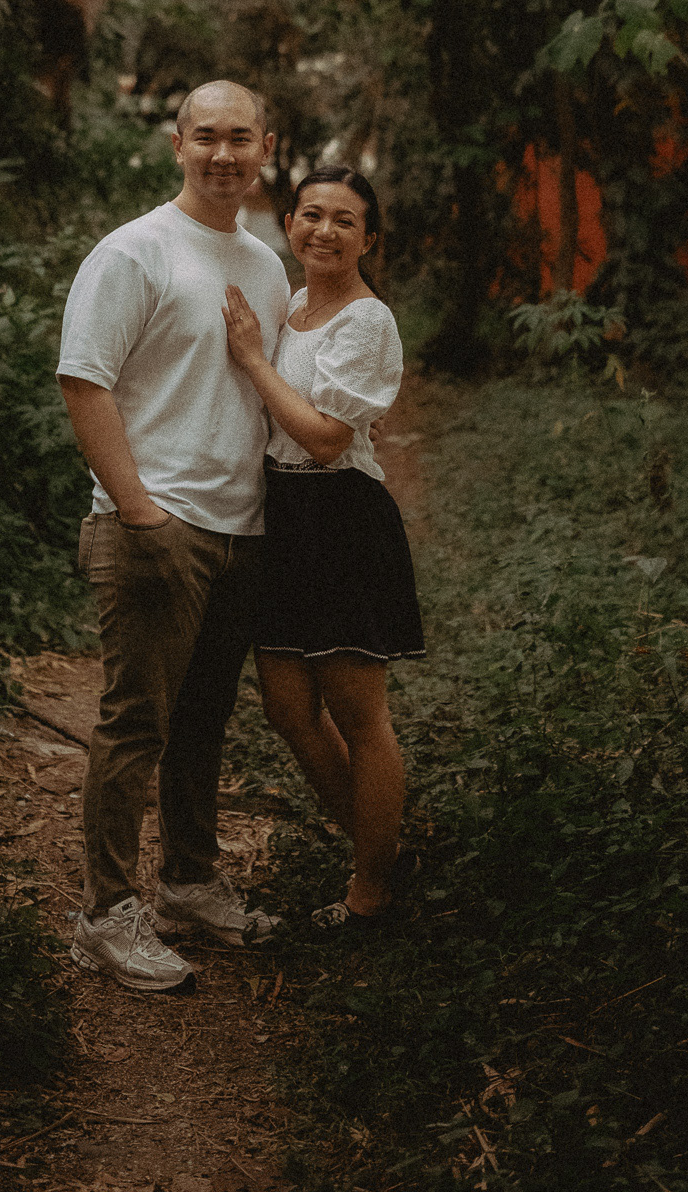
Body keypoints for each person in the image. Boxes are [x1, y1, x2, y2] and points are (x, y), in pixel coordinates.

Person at [57, 80, 292, 990]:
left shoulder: (264, 263)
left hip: (242, 530)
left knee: (202, 720)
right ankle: (105, 914)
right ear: (177, 145)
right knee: (134, 724)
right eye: (206, 137)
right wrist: (138, 511)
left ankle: (189, 883)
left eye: (240, 138)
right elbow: (84, 380)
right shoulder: (134, 251)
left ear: (265, 147)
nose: (222, 154)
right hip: (159, 523)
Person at [221, 167, 424, 929]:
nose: (324, 231)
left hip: (340, 515)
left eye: (344, 220)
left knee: (356, 710)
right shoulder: (292, 304)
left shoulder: (367, 321)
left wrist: (253, 360)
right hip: (282, 513)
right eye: (311, 214)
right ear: (289, 224)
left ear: (369, 239)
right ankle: (383, 848)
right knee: (286, 707)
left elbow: (327, 438)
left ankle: (370, 889)